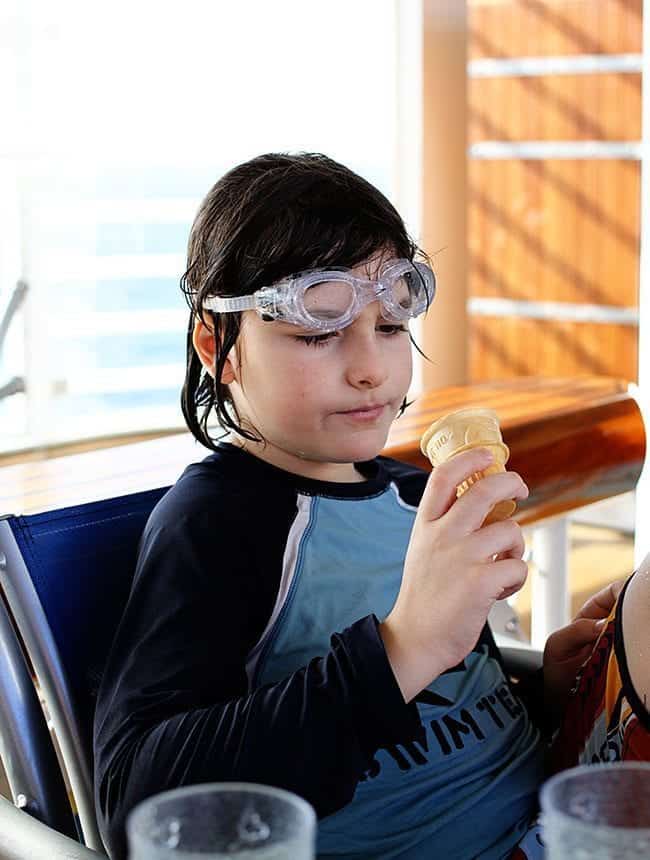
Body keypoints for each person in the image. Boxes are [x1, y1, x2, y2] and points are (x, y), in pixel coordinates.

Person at [93, 152, 616, 860]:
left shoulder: (413, 495)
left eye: (391, 328)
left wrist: (550, 689)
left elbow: (452, 720)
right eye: (319, 332)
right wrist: (405, 646)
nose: (371, 367)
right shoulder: (221, 522)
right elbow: (137, 804)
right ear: (219, 347)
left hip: (551, 822)